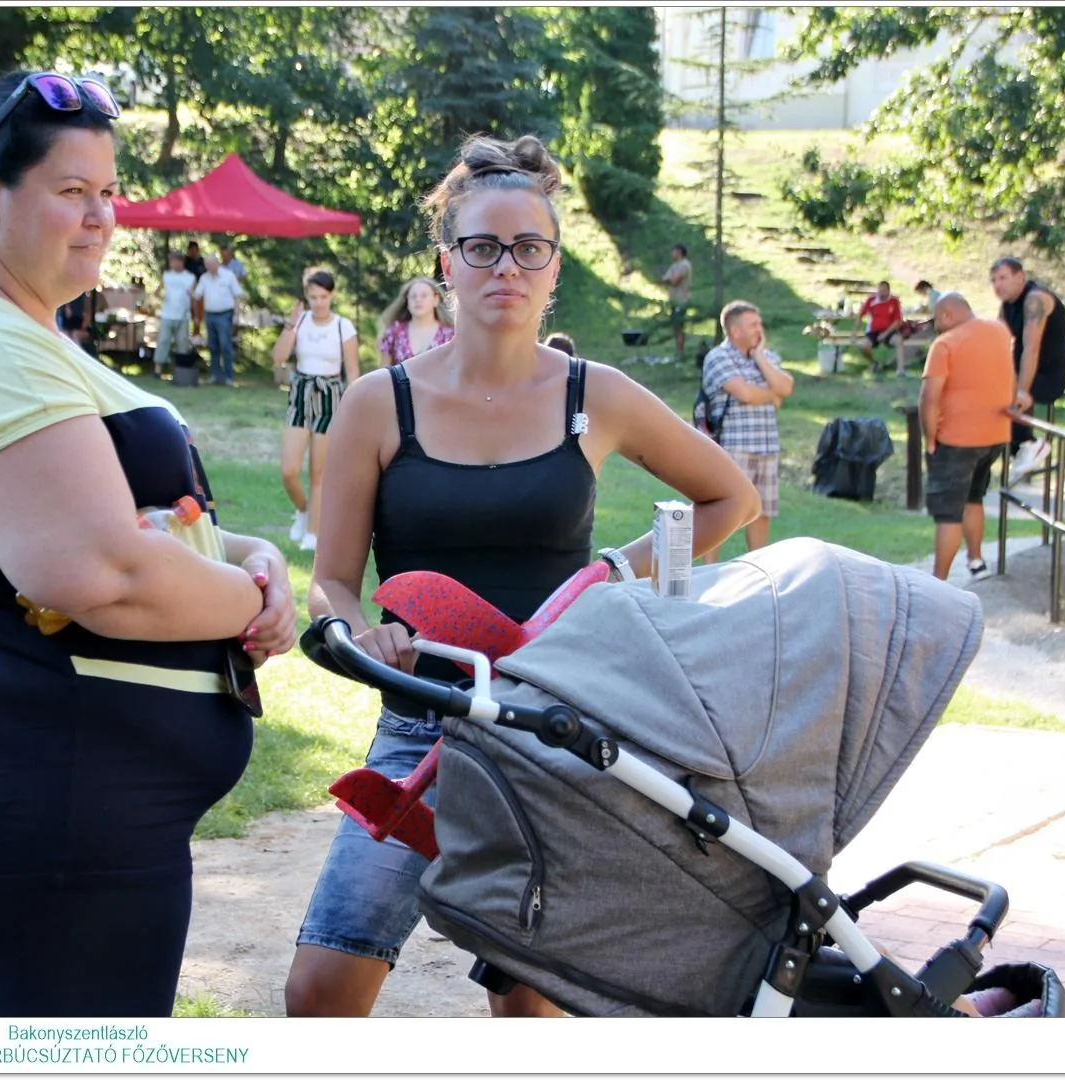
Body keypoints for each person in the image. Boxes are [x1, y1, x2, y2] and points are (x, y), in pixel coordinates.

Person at [284, 133, 761, 1019]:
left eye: (527, 248)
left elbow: (724, 496)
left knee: (530, 1011)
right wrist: (358, 630)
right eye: (481, 247)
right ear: (446, 264)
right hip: (419, 735)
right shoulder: (375, 402)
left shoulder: (596, 394)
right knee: (320, 993)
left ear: (552, 270)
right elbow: (333, 580)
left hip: (549, 734)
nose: (505, 265)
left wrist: (620, 569)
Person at [0, 71, 297, 1017]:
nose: (102, 216)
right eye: (72, 191)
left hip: (87, 797)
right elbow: (98, 571)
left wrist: (254, 561)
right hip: (57, 789)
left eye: (108, 193)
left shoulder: (24, 334)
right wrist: (254, 604)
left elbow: (154, 528)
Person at [919, 293, 1015, 582]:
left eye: (936, 319)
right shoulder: (999, 331)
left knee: (948, 513)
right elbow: (1008, 376)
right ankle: (976, 561)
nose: (936, 325)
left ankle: (939, 580)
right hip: (995, 435)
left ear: (947, 314)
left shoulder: (945, 344)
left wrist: (929, 438)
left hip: (956, 440)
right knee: (974, 498)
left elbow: (929, 398)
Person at [700, 300, 795, 562]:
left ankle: (758, 567)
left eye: (759, 323)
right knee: (724, 509)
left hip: (766, 447)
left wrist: (760, 359)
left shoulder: (766, 356)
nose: (759, 329)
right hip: (734, 446)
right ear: (735, 331)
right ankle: (710, 570)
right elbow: (744, 392)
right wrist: (769, 395)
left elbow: (785, 387)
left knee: (762, 511)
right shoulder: (718, 357)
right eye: (753, 325)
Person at [273, 267, 360, 552]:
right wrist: (291, 324)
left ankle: (313, 532)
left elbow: (353, 372)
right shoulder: (301, 322)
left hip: (329, 396)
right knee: (289, 470)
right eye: (313, 297)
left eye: (323, 297)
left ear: (331, 295)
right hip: (300, 394)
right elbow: (279, 358)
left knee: (319, 473)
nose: (318, 303)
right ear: (307, 297)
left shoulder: (342, 326)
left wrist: (352, 408)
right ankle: (304, 510)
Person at [990, 256, 1065, 484]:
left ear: (1020, 277)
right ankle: (1015, 448)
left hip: (1047, 375)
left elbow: (1031, 349)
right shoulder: (1007, 306)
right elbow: (999, 343)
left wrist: (1022, 390)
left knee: (1008, 389)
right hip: (1020, 371)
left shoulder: (1035, 300)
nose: (998, 284)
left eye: (1003, 277)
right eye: (994, 280)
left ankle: (1030, 444)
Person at [192, 252, 245, 386]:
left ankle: (228, 376)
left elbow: (237, 296)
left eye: (210, 264)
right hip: (210, 315)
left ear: (217, 263)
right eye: (206, 265)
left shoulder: (228, 276)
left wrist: (236, 315)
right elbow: (197, 295)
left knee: (225, 345)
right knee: (212, 345)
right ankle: (215, 375)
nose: (208, 267)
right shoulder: (204, 278)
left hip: (225, 314)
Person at [376, 276, 454, 365]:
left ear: (436, 299)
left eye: (424, 296)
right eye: (413, 296)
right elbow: (384, 371)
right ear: (407, 301)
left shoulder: (449, 335)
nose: (418, 300)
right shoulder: (394, 331)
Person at [153, 249, 193, 378]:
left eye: (173, 261)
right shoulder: (167, 275)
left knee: (182, 342)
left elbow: (195, 295)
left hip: (183, 315)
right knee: (163, 340)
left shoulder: (190, 277)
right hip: (167, 314)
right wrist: (162, 298)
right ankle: (158, 370)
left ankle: (180, 371)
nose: (171, 263)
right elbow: (157, 292)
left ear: (180, 261)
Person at [854, 279, 905, 375]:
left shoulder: (894, 301)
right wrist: (854, 333)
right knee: (863, 345)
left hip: (889, 331)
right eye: (880, 291)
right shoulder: (871, 300)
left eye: (884, 291)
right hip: (873, 331)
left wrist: (885, 334)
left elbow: (898, 321)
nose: (882, 294)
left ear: (888, 291)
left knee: (899, 340)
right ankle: (874, 362)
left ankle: (901, 370)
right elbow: (860, 315)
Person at [661, 243, 693, 360]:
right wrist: (668, 279)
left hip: (681, 299)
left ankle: (680, 352)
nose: (672, 253)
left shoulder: (684, 265)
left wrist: (669, 279)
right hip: (674, 300)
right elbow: (665, 279)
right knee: (675, 326)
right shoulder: (674, 265)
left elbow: (675, 281)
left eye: (674, 251)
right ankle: (677, 351)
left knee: (680, 326)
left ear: (679, 252)